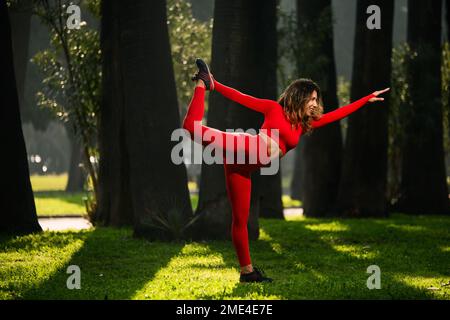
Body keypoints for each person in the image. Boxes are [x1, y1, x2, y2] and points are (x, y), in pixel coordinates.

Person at [182, 59, 389, 283]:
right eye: (311, 98)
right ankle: (202, 84)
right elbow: (241, 97)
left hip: (242, 167)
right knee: (191, 128)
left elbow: (336, 115)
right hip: (245, 147)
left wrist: (366, 99)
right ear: (298, 96)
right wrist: (215, 85)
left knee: (240, 220)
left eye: (316, 99)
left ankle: (247, 272)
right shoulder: (274, 108)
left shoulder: (303, 125)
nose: (315, 103)